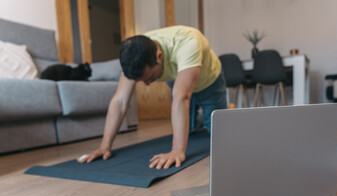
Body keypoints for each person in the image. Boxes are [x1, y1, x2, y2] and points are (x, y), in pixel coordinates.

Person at [77, 25, 226, 169]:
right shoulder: (135, 55)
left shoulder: (188, 42)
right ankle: (198, 117)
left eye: (149, 77)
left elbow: (182, 97)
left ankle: (224, 110)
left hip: (209, 81)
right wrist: (105, 146)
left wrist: (177, 151)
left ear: (159, 56)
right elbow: (120, 101)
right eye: (141, 81)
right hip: (178, 80)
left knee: (216, 131)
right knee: (189, 130)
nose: (147, 84)